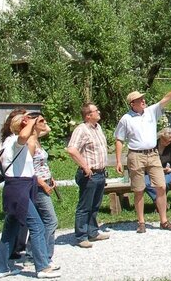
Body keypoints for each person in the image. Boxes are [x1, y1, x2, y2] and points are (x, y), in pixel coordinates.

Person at [114, 79, 171, 233]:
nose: (143, 101)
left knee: (161, 186)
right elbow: (119, 140)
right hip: (136, 155)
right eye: (139, 99)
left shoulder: (151, 111)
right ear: (132, 103)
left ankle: (164, 221)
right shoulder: (126, 119)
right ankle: (141, 222)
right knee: (139, 189)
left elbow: (166, 98)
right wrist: (118, 160)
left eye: (143, 98)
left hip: (153, 154)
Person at [0, 109, 60, 279]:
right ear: (22, 124)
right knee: (37, 226)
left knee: (10, 230)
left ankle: (1, 267)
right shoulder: (15, 140)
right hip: (19, 188)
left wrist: (31, 121)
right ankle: (42, 267)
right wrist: (31, 120)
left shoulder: (6, 141)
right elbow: (23, 137)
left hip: (14, 188)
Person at [66, 102, 110, 249]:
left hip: (100, 172)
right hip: (89, 174)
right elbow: (72, 149)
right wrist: (85, 166)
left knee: (95, 205)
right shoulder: (81, 129)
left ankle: (93, 231)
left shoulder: (98, 128)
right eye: (95, 111)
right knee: (84, 206)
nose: (99, 112)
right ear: (88, 115)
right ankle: (81, 236)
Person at [25, 115, 59, 268]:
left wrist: (50, 178)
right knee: (51, 220)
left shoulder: (36, 138)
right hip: (37, 186)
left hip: (45, 181)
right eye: (41, 121)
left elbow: (41, 165)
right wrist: (43, 184)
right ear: (32, 124)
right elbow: (29, 169)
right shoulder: (31, 143)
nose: (46, 123)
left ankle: (32, 254)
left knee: (40, 221)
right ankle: (45, 256)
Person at [143, 128, 171, 203]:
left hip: (166, 172)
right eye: (165, 140)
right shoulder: (152, 146)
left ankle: (159, 203)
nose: (166, 143)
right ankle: (160, 202)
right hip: (151, 171)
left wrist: (170, 169)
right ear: (160, 137)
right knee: (146, 183)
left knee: (165, 183)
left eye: (169, 141)